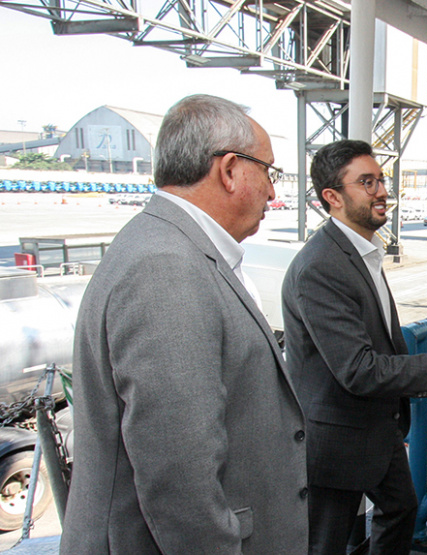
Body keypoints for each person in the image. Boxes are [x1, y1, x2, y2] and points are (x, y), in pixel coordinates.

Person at [61, 94, 309, 554]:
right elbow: (179, 477)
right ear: (230, 169)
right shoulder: (165, 267)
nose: (273, 192)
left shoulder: (177, 250)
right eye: (268, 172)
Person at [281, 139, 427, 555]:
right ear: (332, 197)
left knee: (401, 510)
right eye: (367, 182)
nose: (383, 191)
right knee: (324, 544)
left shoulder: (361, 253)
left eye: (381, 178)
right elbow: (358, 369)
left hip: (378, 427)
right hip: (337, 439)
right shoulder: (319, 268)